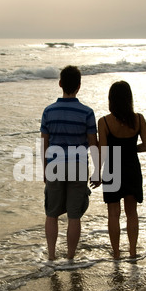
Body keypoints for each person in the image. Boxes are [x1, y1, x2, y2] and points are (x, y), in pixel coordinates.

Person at [40, 66, 99, 260]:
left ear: (60, 84)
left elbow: (45, 144)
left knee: (52, 213)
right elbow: (93, 144)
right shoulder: (87, 113)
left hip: (55, 164)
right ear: (79, 86)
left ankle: (51, 256)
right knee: (74, 215)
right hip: (78, 165)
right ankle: (71, 257)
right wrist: (98, 171)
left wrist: (45, 169)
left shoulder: (48, 111)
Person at [98, 81, 146, 259]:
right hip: (131, 168)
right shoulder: (138, 119)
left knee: (113, 213)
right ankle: (133, 251)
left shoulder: (104, 122)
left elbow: (103, 152)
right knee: (131, 212)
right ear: (129, 98)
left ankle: (116, 253)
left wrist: (97, 173)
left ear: (111, 99)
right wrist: (130, 149)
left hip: (112, 168)